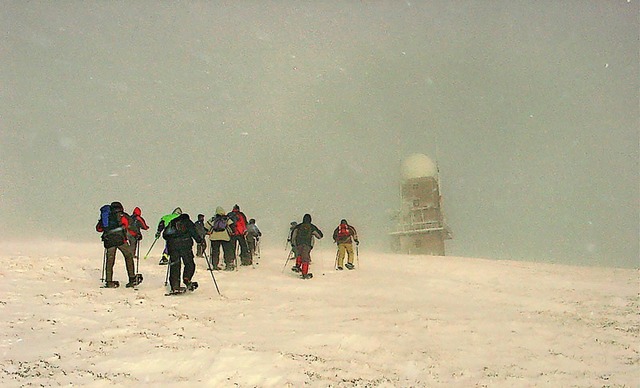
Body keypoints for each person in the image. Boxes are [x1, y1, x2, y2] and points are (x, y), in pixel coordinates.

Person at [95, 201, 138, 288]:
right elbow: (129, 225)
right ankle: (132, 278)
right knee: (128, 256)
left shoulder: (106, 216)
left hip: (109, 241)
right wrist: (137, 234)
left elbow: (98, 229)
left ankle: (109, 281)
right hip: (120, 240)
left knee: (110, 261)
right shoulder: (122, 215)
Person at [159, 209, 203, 293]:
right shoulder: (187, 222)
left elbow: (165, 235)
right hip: (185, 245)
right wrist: (199, 241)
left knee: (175, 265)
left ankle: (175, 286)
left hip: (172, 246)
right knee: (189, 263)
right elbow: (194, 232)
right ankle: (187, 278)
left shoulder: (172, 222)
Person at [290, 213, 323, 279]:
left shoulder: (299, 226)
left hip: (298, 243)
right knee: (305, 258)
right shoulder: (311, 226)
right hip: (307, 244)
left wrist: (293, 243)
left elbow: (293, 235)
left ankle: (298, 266)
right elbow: (319, 236)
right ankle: (304, 273)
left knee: (299, 254)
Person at [206, 206, 235, 271]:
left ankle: (215, 265)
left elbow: (206, 226)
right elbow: (232, 227)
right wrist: (232, 233)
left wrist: (207, 233)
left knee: (215, 252)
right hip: (225, 237)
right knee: (227, 251)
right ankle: (228, 265)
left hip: (214, 237)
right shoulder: (227, 219)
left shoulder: (213, 219)